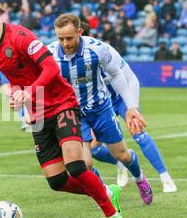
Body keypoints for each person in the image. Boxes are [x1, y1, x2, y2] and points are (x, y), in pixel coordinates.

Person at [0, 0, 128, 218]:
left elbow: (50, 67)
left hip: (63, 103)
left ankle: (112, 215)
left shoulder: (21, 37)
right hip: (39, 113)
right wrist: (18, 94)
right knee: (57, 181)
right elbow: (16, 77)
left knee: (76, 166)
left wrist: (30, 91)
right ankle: (107, 192)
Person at [49, 14, 153, 205]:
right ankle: (106, 192)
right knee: (84, 165)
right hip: (75, 114)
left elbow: (116, 75)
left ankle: (139, 177)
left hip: (101, 109)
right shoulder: (50, 55)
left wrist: (131, 107)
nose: (65, 43)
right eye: (60, 38)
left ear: (79, 32)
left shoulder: (97, 49)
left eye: (69, 38)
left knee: (122, 155)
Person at [80, 21, 177, 193]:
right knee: (92, 148)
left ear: (91, 37)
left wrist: (134, 107)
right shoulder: (72, 59)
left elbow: (130, 78)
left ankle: (165, 177)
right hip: (99, 105)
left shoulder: (106, 51)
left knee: (138, 131)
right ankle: (120, 162)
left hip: (119, 99)